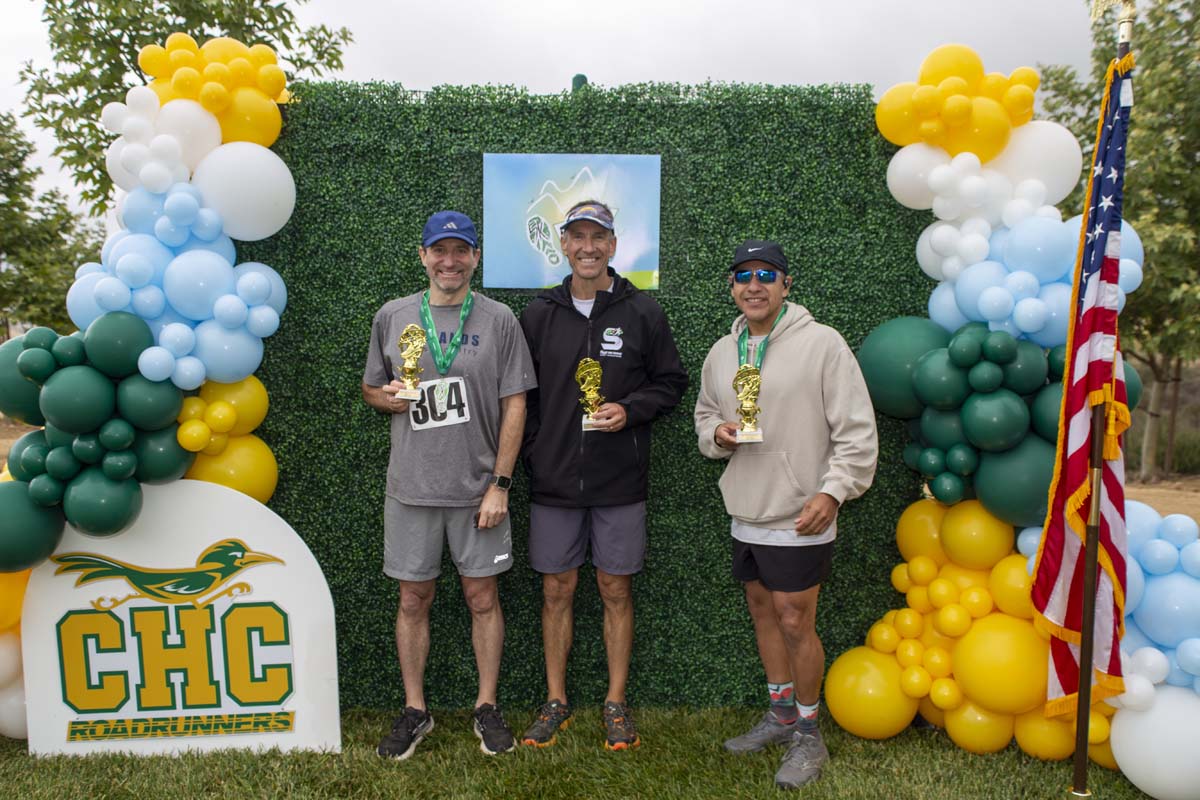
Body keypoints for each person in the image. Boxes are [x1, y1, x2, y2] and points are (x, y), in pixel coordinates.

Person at [694, 239, 877, 789]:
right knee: (762, 611)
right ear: (732, 287)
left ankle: (807, 732)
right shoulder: (722, 353)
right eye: (744, 275)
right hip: (746, 507)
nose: (754, 285)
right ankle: (779, 717)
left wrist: (833, 492)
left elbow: (856, 430)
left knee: (796, 620)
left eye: (766, 275)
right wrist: (718, 435)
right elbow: (705, 415)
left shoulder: (822, 344)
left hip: (802, 512)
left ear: (786, 284)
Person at [362, 210, 536, 760]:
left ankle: (487, 706)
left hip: (478, 490)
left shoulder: (500, 318)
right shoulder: (392, 316)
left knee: (482, 596)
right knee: (413, 597)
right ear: (423, 256)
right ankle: (416, 709)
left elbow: (516, 403)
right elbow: (371, 389)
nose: (450, 261)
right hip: (411, 489)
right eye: (440, 250)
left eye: (461, 251)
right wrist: (386, 397)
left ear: (475, 258)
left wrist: (500, 484)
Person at [518, 200, 688, 750]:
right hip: (555, 482)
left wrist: (630, 409)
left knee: (615, 587)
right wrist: (538, 452)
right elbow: (523, 397)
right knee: (556, 589)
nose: (588, 247)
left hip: (620, 480)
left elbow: (670, 383)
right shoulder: (539, 313)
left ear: (613, 245)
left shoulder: (644, 312)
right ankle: (556, 700)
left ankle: (616, 703)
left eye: (599, 237)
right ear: (563, 245)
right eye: (578, 237)